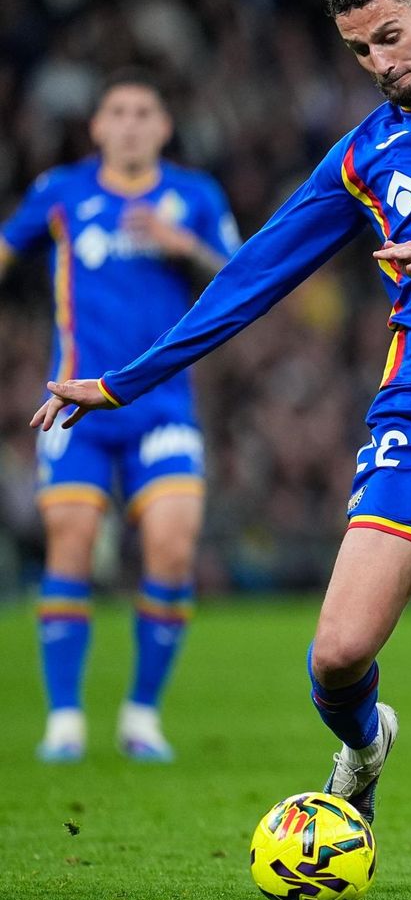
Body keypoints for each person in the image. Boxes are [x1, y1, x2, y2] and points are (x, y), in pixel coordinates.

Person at [33, 0, 411, 894]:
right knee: (339, 656)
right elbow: (252, 274)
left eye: (390, 36)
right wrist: (125, 381)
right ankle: (368, 748)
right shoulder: (362, 157)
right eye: (359, 51)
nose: (381, 62)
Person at [1, 71, 237, 764]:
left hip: (162, 403)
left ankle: (141, 715)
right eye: (118, 112)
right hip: (75, 404)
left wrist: (182, 245)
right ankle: (65, 720)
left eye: (144, 113)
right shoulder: (61, 192)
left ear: (164, 128)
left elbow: (244, 273)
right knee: (70, 543)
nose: (131, 123)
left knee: (172, 547)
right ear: (98, 127)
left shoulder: (195, 196)